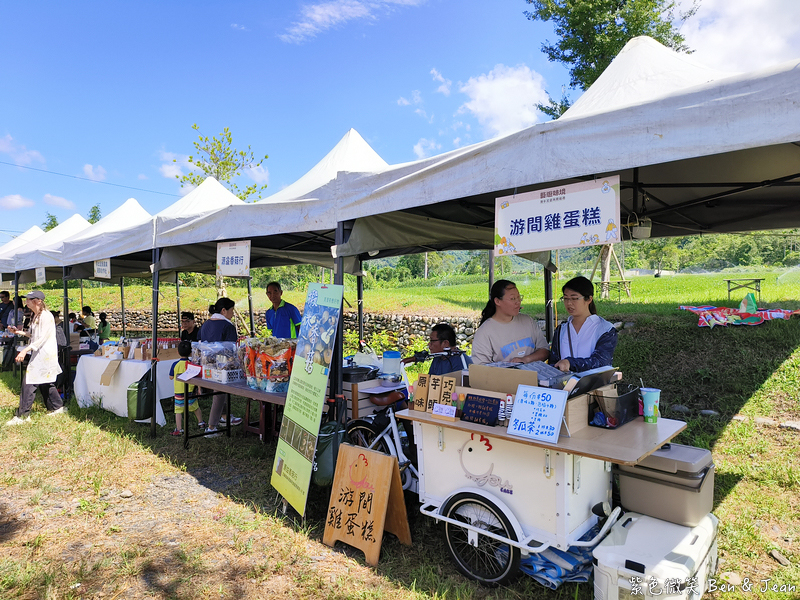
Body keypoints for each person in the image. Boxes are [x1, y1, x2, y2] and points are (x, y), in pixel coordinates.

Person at [4, 291, 65, 425]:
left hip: (45, 355)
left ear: (38, 301)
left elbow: (42, 338)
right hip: (41, 354)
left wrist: (25, 350)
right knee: (45, 382)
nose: (26, 301)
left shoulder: (46, 316)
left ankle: (23, 415)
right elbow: (34, 335)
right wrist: (19, 332)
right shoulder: (36, 315)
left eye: (29, 299)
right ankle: (57, 407)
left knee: (29, 383)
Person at [471, 279, 549, 365]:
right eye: (512, 299)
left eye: (519, 297)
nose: (518, 302)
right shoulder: (485, 332)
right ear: (497, 301)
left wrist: (526, 359)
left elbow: (545, 351)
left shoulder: (528, 321)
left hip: (534, 377)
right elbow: (481, 368)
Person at [549, 276, 618, 372]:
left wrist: (570, 363)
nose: (569, 303)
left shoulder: (605, 329)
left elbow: (601, 362)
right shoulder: (562, 329)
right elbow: (554, 362)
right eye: (565, 298)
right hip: (565, 385)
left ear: (589, 299)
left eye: (574, 298)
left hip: (594, 385)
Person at [199, 297, 242, 435]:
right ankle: (211, 427)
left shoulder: (205, 324)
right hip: (222, 366)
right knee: (219, 394)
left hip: (206, 364)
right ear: (224, 310)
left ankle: (224, 417)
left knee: (216, 392)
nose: (232, 314)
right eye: (231, 311)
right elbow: (232, 350)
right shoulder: (228, 326)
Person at [402, 323, 473, 375]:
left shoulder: (460, 360)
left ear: (445, 343)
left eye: (432, 341)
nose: (429, 344)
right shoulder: (438, 357)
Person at [169, 340, 206, 435]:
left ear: (178, 352)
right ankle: (201, 422)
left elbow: (171, 377)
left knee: (178, 410)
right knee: (195, 407)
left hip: (178, 392)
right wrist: (198, 389)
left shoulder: (175, 365)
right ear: (190, 353)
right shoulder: (192, 364)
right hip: (190, 391)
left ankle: (179, 429)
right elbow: (197, 378)